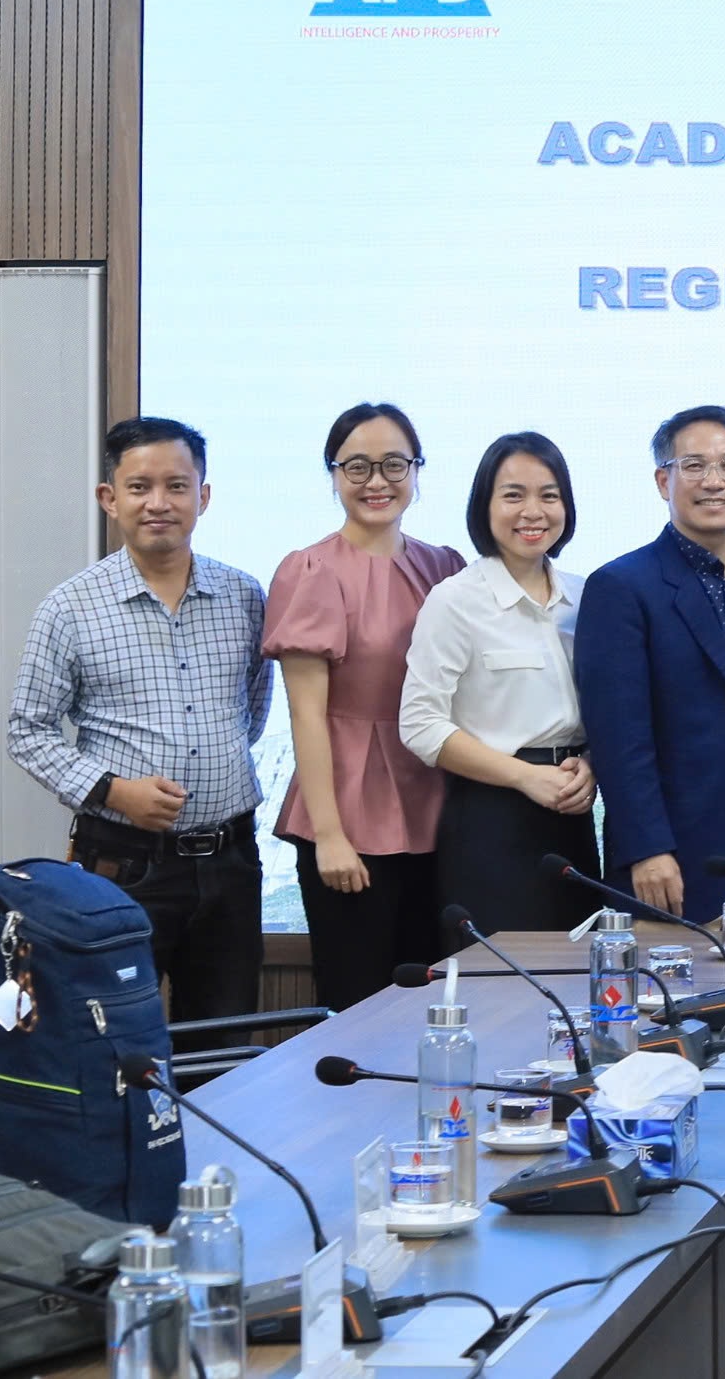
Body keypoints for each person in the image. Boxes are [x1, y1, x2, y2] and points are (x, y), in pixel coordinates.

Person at [6, 417, 272, 1028]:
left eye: (177, 486)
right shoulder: (70, 606)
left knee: (225, 1035)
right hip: (123, 863)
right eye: (139, 487)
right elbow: (27, 730)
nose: (159, 503)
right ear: (110, 498)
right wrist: (113, 790)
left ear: (203, 495)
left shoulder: (244, 596)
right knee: (114, 1037)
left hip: (232, 859)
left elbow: (251, 712)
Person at [577, 406, 725, 925]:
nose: (714, 481)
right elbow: (619, 738)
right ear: (663, 480)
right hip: (672, 861)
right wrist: (646, 848)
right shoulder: (621, 588)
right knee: (663, 982)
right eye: (694, 466)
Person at [263, 404, 467, 1013]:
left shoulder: (443, 567)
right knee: (357, 1002)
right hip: (347, 809)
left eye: (394, 464)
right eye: (357, 466)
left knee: (431, 1000)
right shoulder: (310, 569)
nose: (376, 481)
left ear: (417, 470)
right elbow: (306, 714)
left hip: (435, 803)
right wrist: (330, 835)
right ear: (333, 474)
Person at [399, 432, 595, 934]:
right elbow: (420, 724)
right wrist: (525, 777)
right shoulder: (455, 600)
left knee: (582, 967)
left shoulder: (586, 596)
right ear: (483, 506)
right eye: (513, 495)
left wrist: (592, 764)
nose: (533, 511)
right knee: (501, 974)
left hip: (574, 809)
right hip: (492, 816)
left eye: (549, 495)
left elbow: (607, 705)